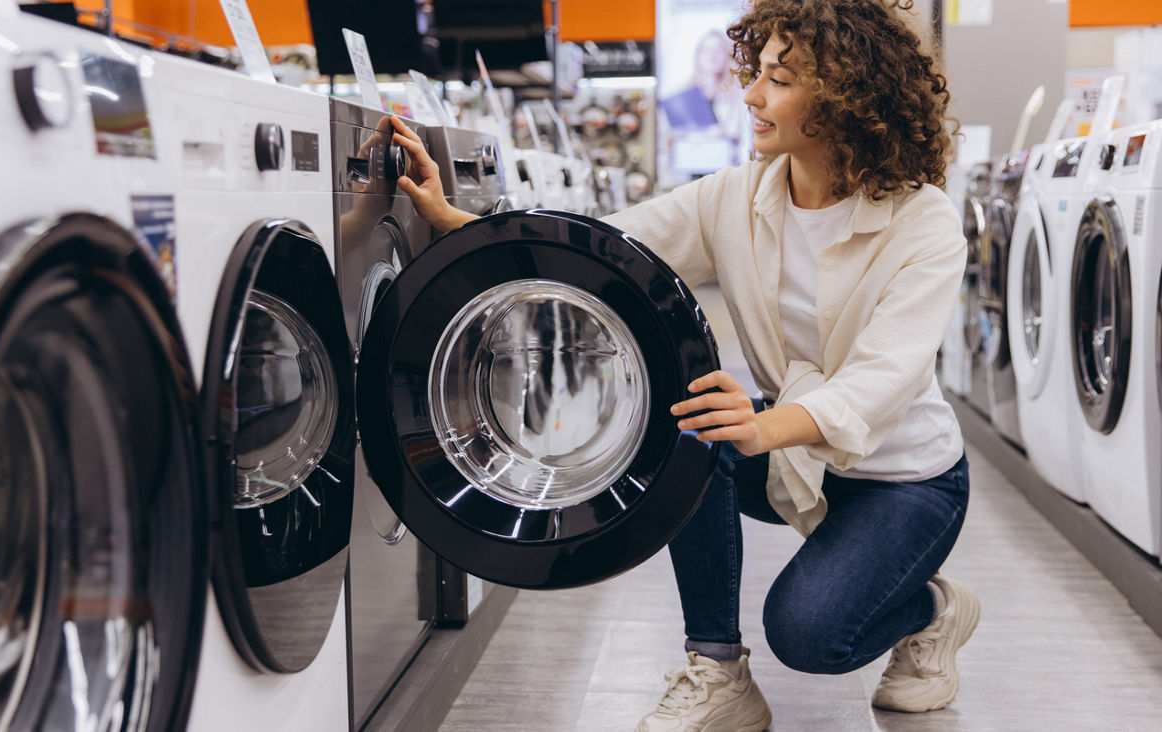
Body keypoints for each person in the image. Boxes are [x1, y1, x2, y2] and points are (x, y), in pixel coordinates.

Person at [389, 1, 975, 730]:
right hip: (797, 455)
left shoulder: (922, 221)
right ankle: (718, 668)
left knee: (811, 636)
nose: (752, 96)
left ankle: (930, 610)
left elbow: (880, 381)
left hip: (904, 479)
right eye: (755, 75)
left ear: (845, 100)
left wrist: (761, 431)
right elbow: (597, 246)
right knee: (689, 425)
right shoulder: (736, 196)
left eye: (780, 81)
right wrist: (460, 227)